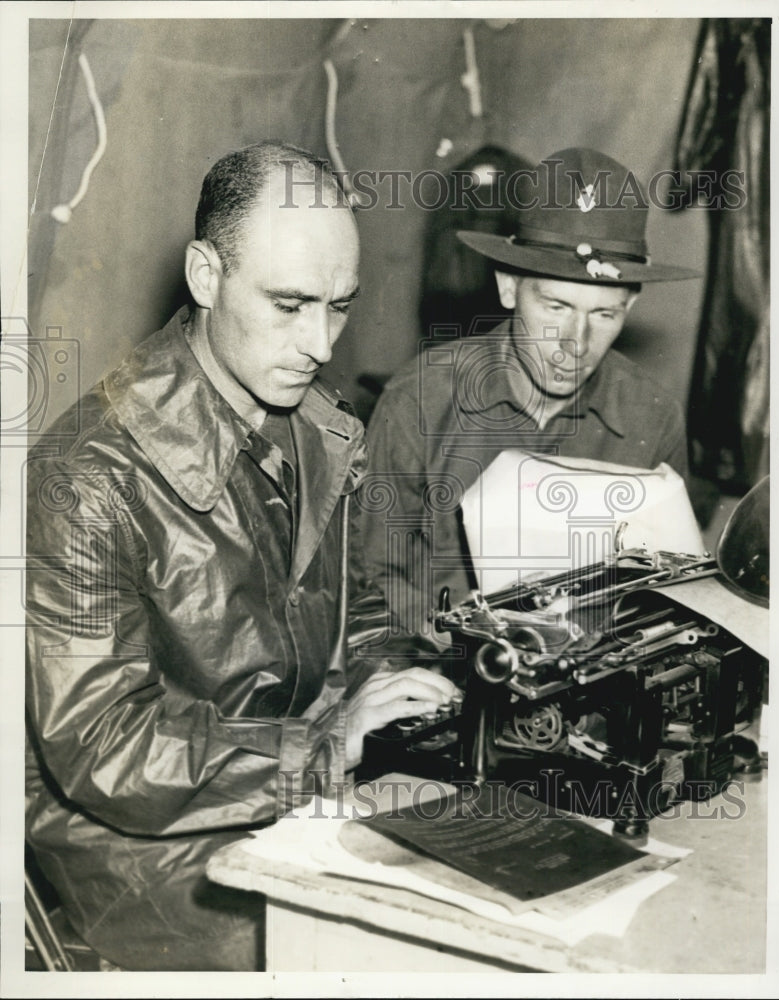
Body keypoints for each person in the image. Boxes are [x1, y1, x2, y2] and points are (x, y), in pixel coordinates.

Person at [24, 141, 458, 971]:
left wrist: (413, 679)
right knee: (359, 952)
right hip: (135, 844)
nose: (322, 343)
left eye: (340, 306)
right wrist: (328, 747)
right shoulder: (83, 476)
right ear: (203, 276)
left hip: (286, 779)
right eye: (290, 304)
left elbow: (348, 606)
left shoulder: (312, 424)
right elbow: (101, 746)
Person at [360, 147, 700, 636]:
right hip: (448, 681)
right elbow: (370, 579)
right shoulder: (418, 402)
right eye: (557, 307)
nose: (575, 344)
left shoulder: (653, 418)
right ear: (508, 288)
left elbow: (666, 598)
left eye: (604, 315)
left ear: (630, 305)